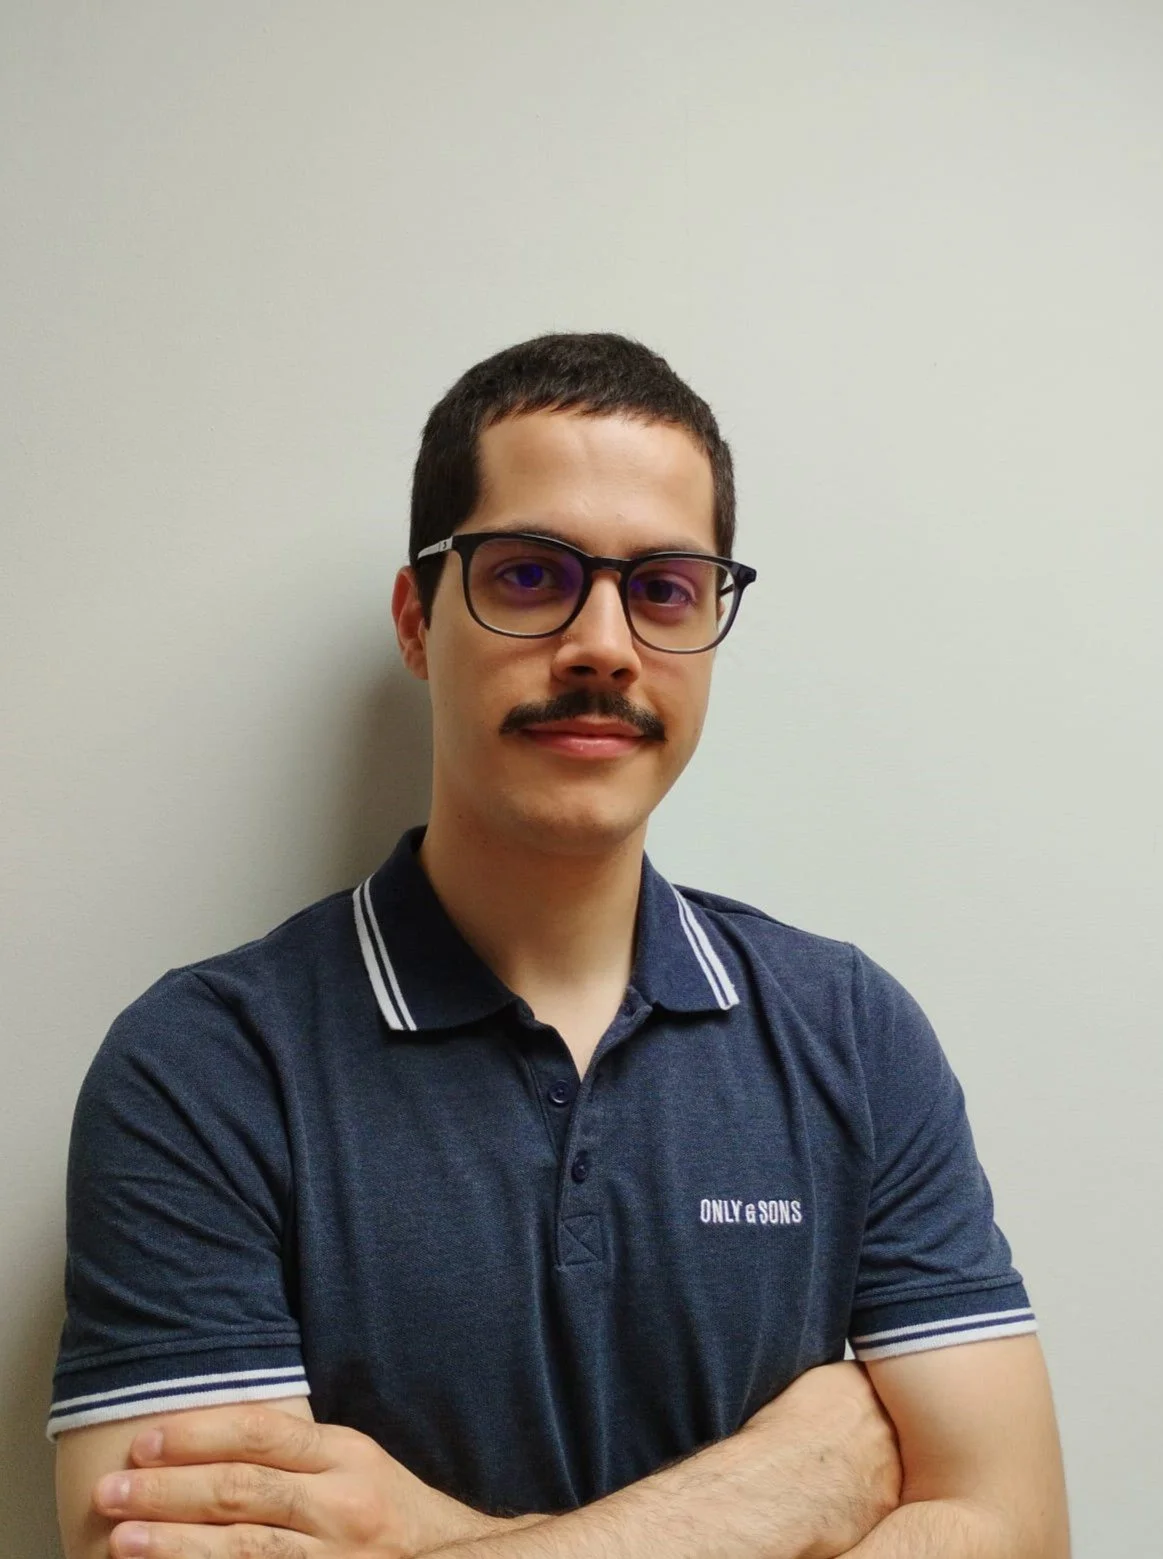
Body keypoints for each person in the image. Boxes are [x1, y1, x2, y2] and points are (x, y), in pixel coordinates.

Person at [53, 333, 1070, 1558]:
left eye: (664, 588)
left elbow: (1015, 1528)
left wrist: (417, 1535)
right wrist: (775, 1491)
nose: (603, 643)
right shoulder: (205, 1067)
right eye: (531, 575)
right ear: (417, 619)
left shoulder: (850, 1032)